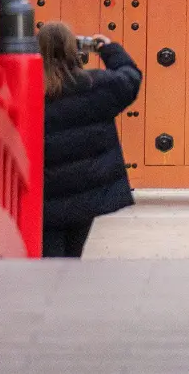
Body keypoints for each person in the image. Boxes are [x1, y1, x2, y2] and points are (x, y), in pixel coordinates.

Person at [39, 22, 141, 258]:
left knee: (48, 257)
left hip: (46, 194)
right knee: (73, 254)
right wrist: (109, 49)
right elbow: (130, 77)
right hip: (84, 193)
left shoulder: (31, 89)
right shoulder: (94, 86)